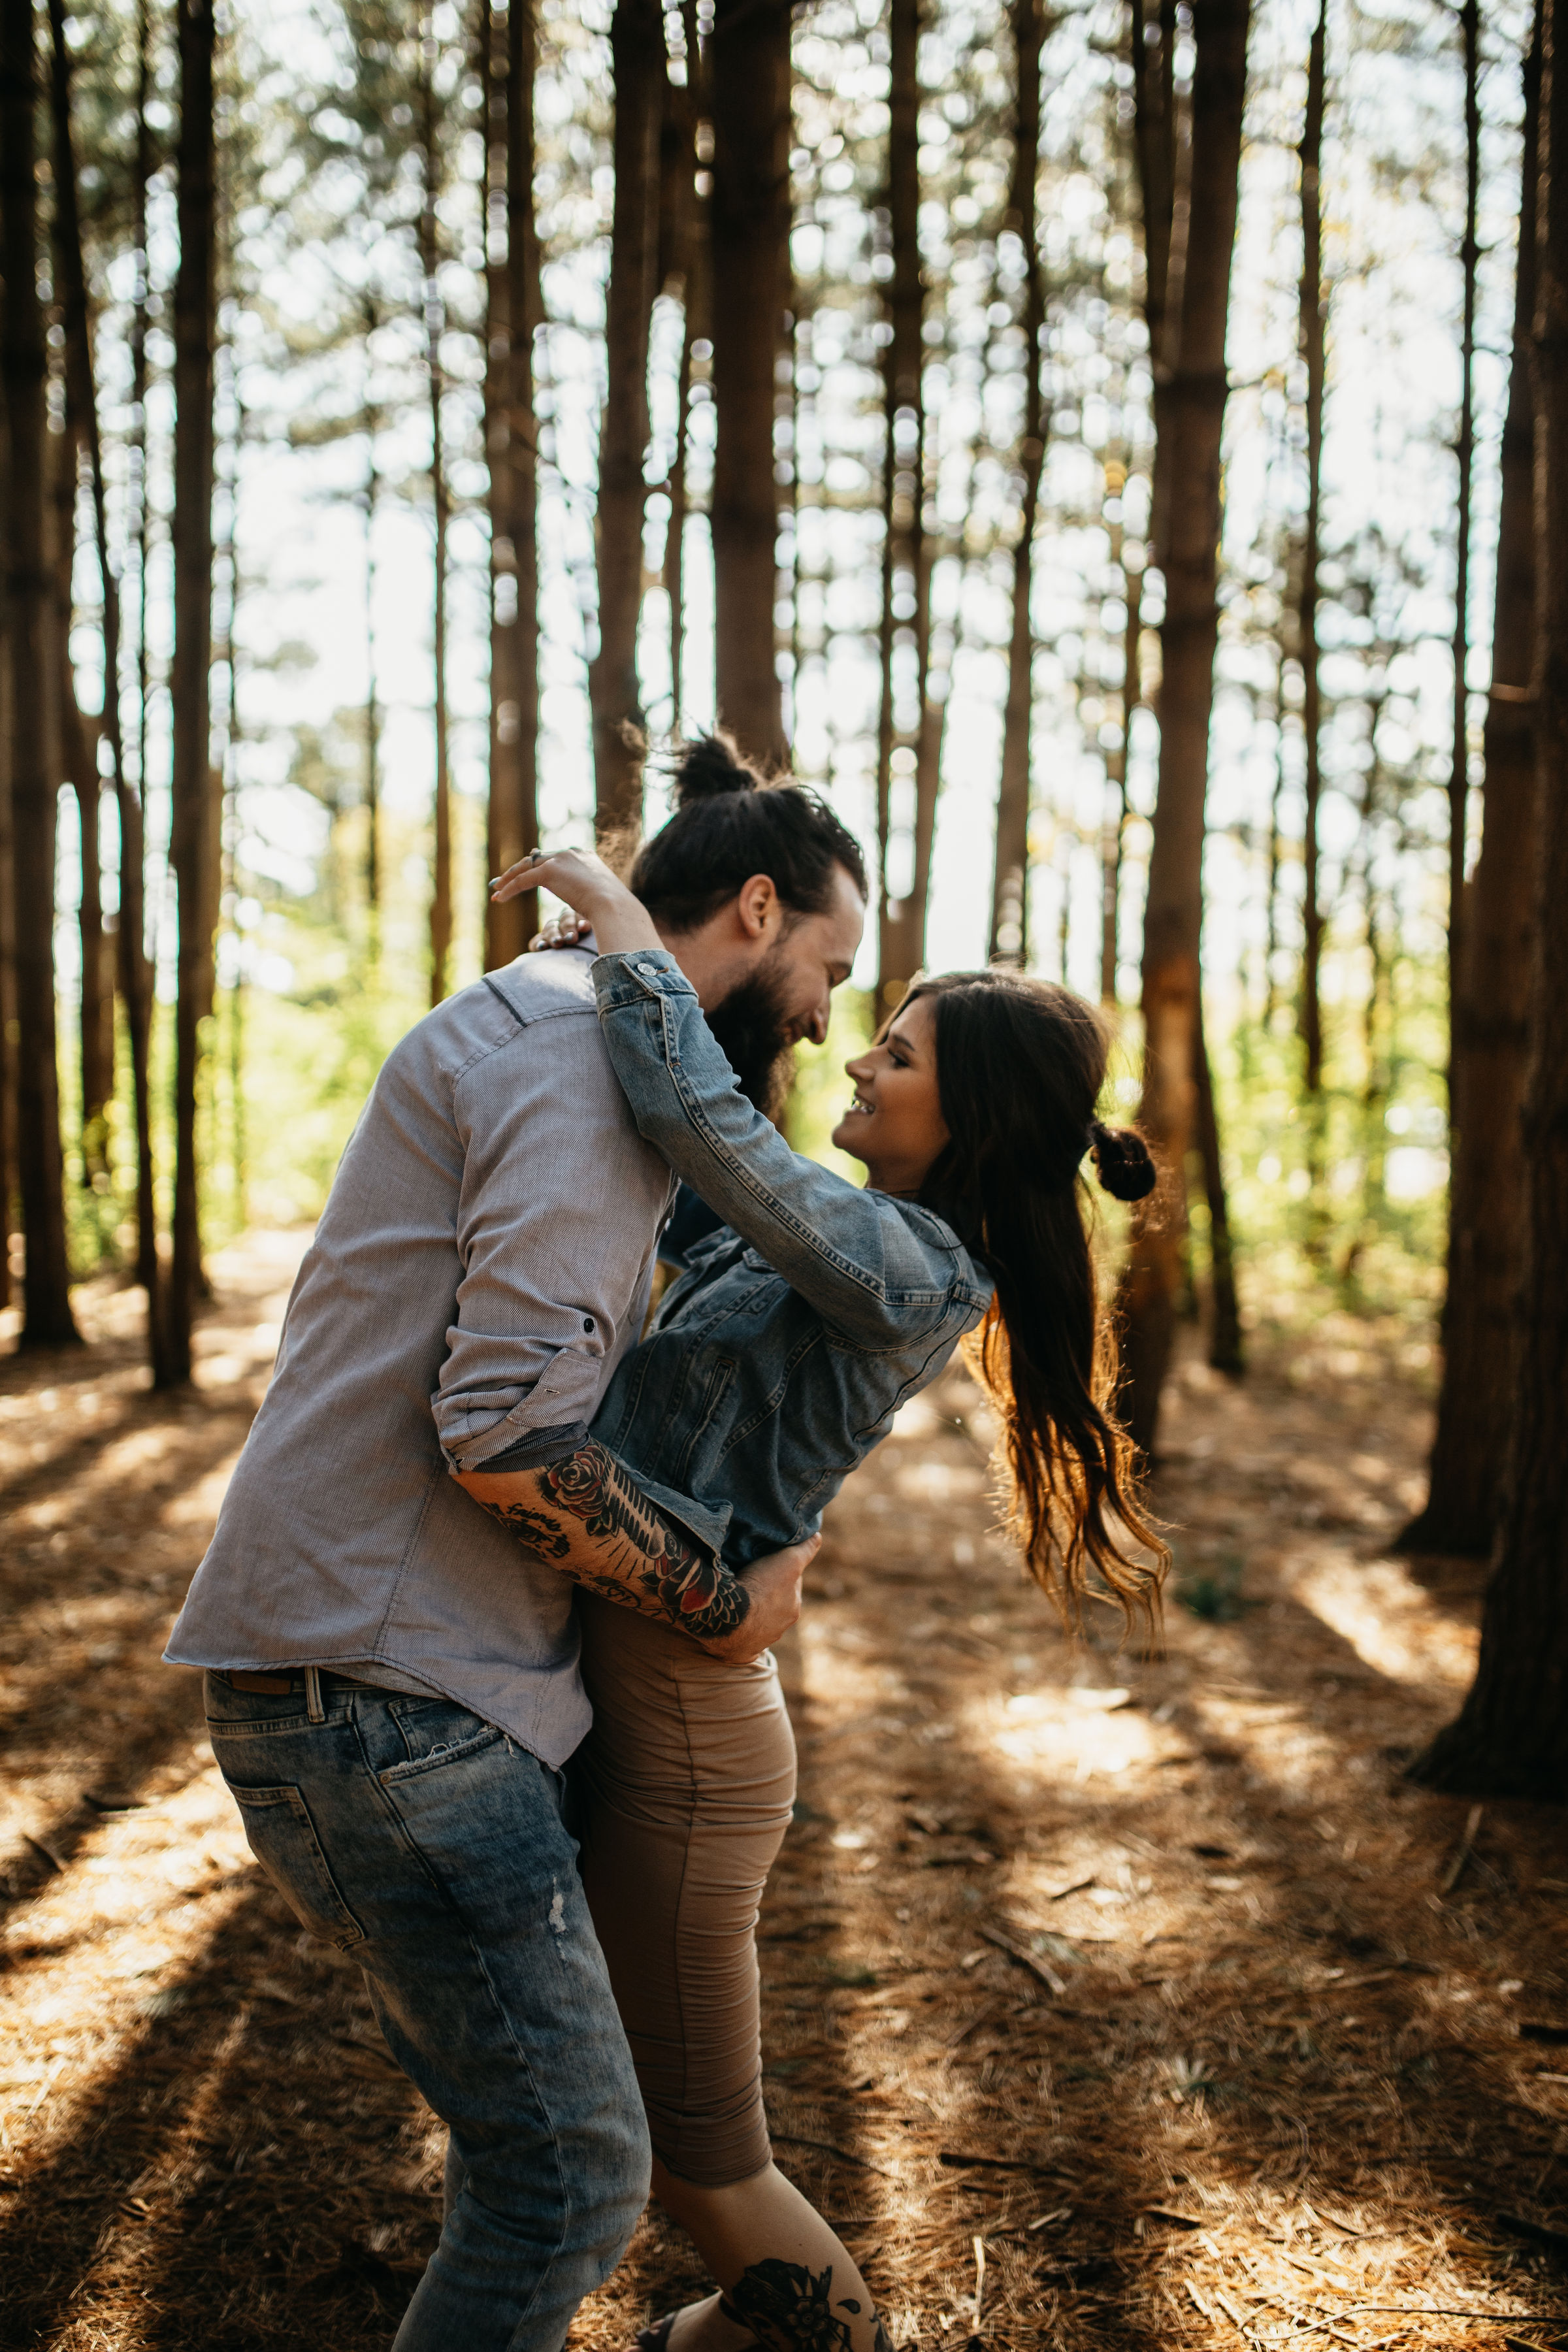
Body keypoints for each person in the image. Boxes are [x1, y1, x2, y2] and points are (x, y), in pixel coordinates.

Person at [163, 740, 868, 2352]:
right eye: (832, 967)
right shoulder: (577, 1068)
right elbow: (508, 1436)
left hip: (382, 1677)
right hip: (388, 1698)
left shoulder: (557, 1026)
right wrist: (719, 1593)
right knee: (567, 2187)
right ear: (756, 910)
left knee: (554, 2165)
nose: (829, 1012)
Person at [464, 832, 1168, 2352]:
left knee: (710, 2167)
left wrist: (624, 925)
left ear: (963, 1113)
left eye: (894, 1046)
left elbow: (718, 1141)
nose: (858, 1053)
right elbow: (696, 1167)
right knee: (640, 2136)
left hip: (694, 1743)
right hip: (660, 1693)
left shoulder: (911, 1267)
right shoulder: (838, 1249)